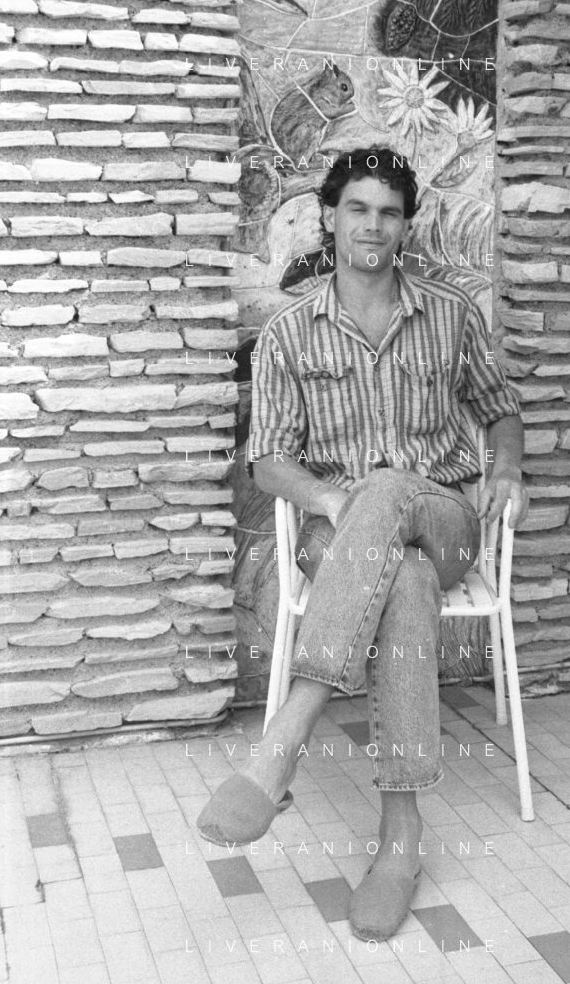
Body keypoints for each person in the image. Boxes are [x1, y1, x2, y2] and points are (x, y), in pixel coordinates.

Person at [197, 147, 529, 940]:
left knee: (388, 493)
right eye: (357, 209)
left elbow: (500, 408)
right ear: (329, 216)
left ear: (405, 225)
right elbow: (267, 459)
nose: (372, 225)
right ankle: (400, 836)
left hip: (443, 520)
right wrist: (325, 497)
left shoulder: (450, 314)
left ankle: (286, 735)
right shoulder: (288, 333)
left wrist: (507, 468)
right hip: (336, 533)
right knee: (400, 577)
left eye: (387, 212)